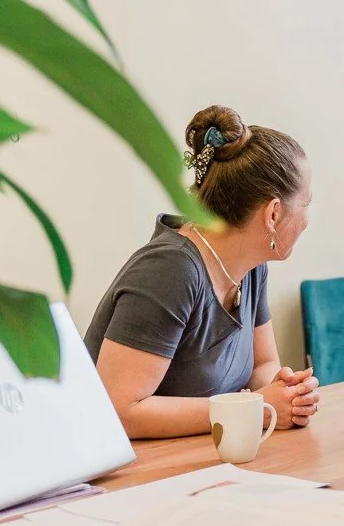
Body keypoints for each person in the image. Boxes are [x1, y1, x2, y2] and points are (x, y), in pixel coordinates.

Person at [84, 104, 320, 439]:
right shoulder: (170, 271)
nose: (308, 219)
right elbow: (121, 410)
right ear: (273, 214)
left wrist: (285, 393)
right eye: (306, 204)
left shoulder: (251, 269)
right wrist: (254, 408)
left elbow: (261, 366)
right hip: (128, 475)